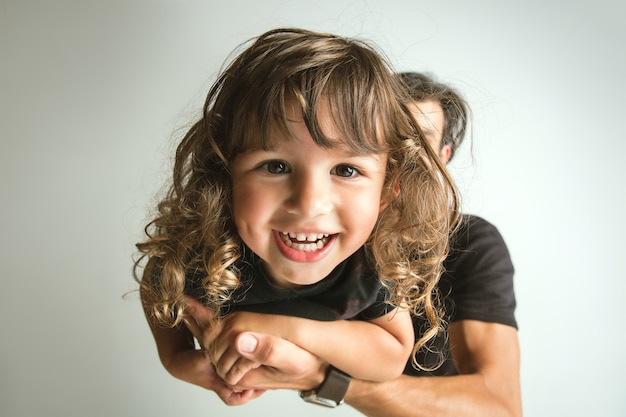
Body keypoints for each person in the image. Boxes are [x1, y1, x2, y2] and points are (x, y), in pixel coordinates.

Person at [134, 29, 459, 402]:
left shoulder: (371, 260)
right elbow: (157, 281)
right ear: (226, 175)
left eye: (346, 170)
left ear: (387, 190)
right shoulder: (204, 250)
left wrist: (270, 328)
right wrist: (176, 358)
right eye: (275, 166)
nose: (309, 204)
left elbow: (390, 356)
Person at [184, 72, 522, 416]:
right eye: (389, 141)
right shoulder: (309, 232)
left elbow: (499, 409)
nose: (401, 157)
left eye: (418, 143)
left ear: (443, 156)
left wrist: (317, 374)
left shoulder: (471, 242)